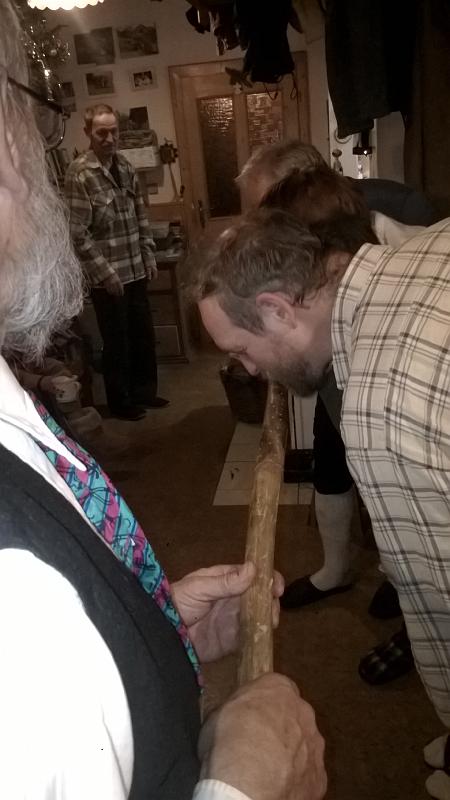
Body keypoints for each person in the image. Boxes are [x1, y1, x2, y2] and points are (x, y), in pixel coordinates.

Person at [0, 3, 327, 799]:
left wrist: (153, 629)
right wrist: (247, 788)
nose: (31, 145)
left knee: (140, 359)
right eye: (23, 104)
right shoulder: (15, 587)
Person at [190, 207, 450, 800]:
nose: (249, 370)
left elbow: (438, 595)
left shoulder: (382, 406)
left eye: (242, 351)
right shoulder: (427, 242)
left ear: (278, 310)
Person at [237, 141, 432, 615]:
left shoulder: (394, 208)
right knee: (333, 462)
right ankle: (338, 569)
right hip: (332, 364)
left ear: (300, 184)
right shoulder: (290, 242)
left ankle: (412, 587)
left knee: (398, 479)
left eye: (264, 208)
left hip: (393, 374)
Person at [65, 103, 168, 421]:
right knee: (117, 342)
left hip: (135, 269)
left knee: (142, 336)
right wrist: (106, 274)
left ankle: (144, 393)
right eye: (101, 133)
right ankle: (121, 402)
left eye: (113, 132)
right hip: (108, 278)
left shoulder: (125, 166)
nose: (109, 139)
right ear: (88, 133)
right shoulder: (80, 173)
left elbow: (140, 215)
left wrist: (148, 254)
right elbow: (77, 232)